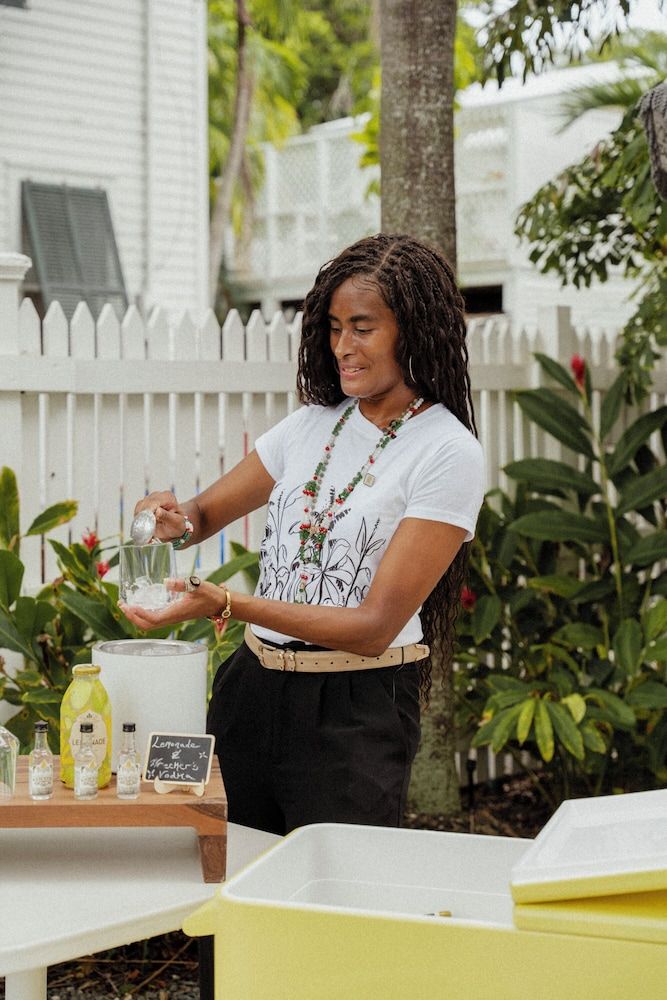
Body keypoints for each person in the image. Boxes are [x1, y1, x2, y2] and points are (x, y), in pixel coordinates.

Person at [120, 232, 485, 838]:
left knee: (333, 906)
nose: (342, 346)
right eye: (334, 326)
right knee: (231, 882)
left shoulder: (448, 452)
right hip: (251, 693)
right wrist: (170, 520)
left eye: (362, 327)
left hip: (355, 710)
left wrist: (229, 604)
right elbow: (202, 516)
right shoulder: (311, 426)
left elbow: (373, 628)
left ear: (413, 330)